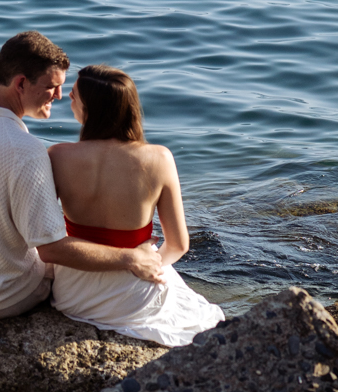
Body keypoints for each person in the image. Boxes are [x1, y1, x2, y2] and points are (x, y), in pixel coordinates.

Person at [0, 32, 164, 320]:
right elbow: (52, 250)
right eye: (51, 86)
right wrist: (131, 258)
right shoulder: (25, 150)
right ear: (21, 83)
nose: (58, 96)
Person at [48, 64, 225, 347]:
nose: (66, 100)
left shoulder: (57, 156)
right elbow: (179, 245)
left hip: (75, 294)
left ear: (91, 108)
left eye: (73, 97)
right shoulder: (159, 158)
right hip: (136, 298)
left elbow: (42, 233)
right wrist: (148, 266)